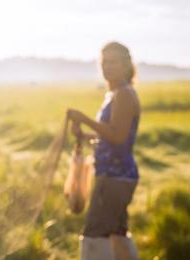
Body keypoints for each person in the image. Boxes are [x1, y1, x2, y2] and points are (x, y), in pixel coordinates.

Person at [67, 41, 140, 260]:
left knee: (94, 235)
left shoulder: (125, 94)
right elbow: (110, 135)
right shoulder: (114, 93)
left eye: (113, 62)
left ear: (126, 65)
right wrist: (86, 136)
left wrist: (84, 119)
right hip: (115, 176)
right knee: (116, 234)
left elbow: (118, 136)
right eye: (104, 62)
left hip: (115, 178)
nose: (107, 67)